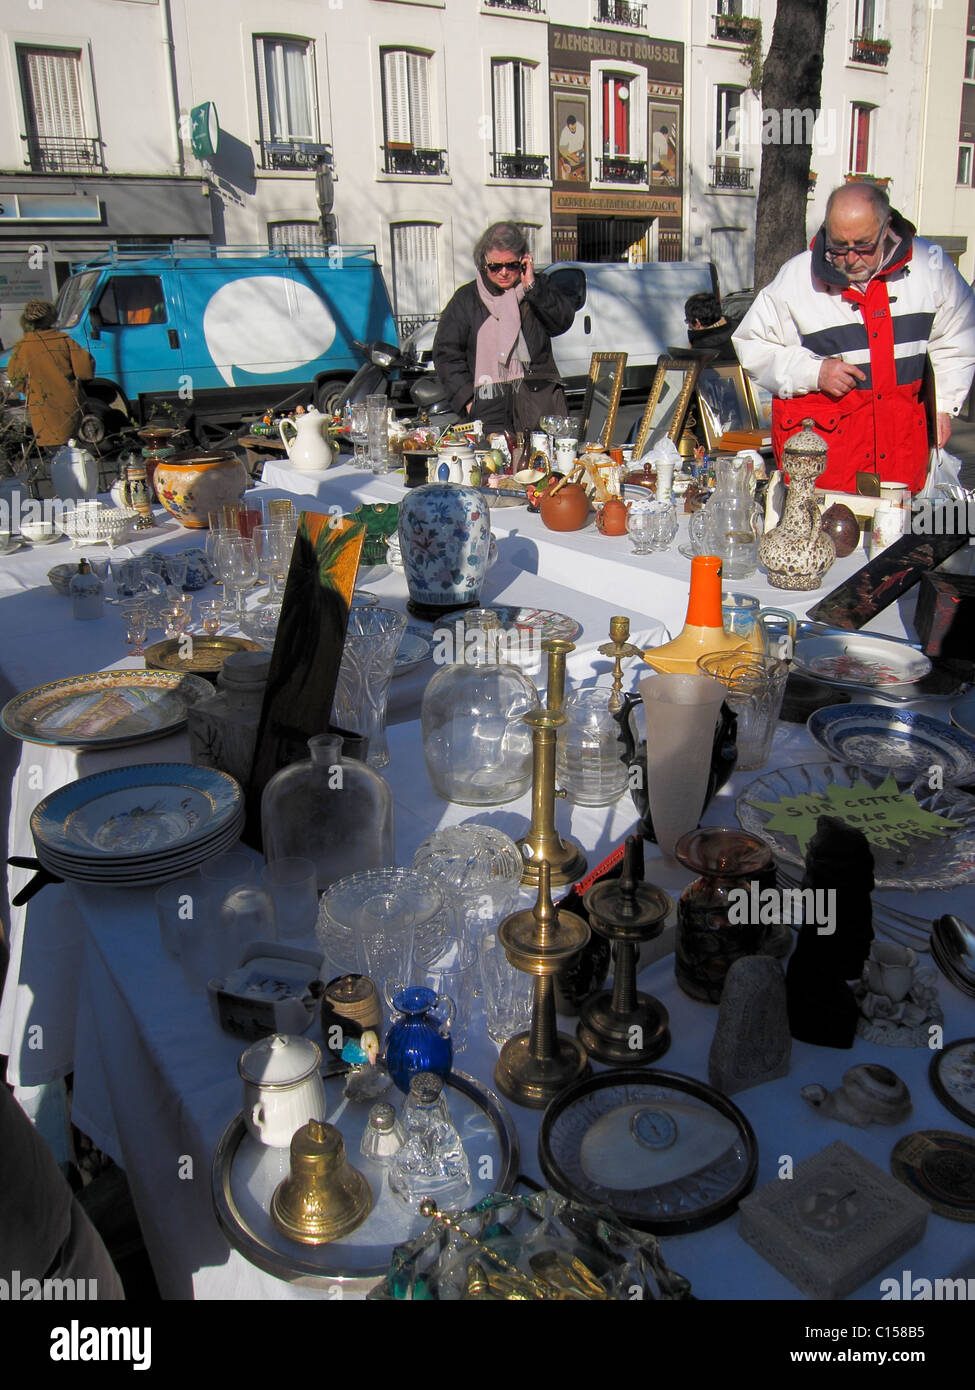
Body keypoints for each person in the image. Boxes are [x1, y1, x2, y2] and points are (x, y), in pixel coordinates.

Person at [732, 183, 975, 493]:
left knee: (898, 535)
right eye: (838, 246)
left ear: (886, 228)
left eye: (863, 245)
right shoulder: (797, 277)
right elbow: (752, 344)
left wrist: (944, 403)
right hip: (827, 469)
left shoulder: (930, 267)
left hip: (902, 460)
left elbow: (958, 333)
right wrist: (815, 372)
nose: (850, 258)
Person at [432, 222, 575, 435]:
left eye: (512, 265)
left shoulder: (537, 289)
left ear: (524, 262)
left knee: (540, 467)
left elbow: (561, 321)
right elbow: (446, 354)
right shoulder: (466, 300)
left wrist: (532, 287)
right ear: (483, 263)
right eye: (495, 266)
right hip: (487, 407)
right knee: (492, 464)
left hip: (538, 404)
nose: (504, 272)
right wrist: (468, 400)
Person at [5, 298, 95, 451]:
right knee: (71, 449)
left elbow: (15, 376)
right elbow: (85, 370)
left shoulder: (23, 347)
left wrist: (30, 391)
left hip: (41, 407)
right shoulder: (64, 341)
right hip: (69, 404)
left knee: (53, 452)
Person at [684, 291, 740, 363]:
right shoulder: (740, 330)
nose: (689, 326)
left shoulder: (701, 351)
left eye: (688, 321)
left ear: (697, 322)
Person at [558, 115, 585, 181]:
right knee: (566, 171)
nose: (573, 129)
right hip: (570, 155)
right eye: (571, 129)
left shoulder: (581, 128)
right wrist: (571, 156)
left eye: (574, 127)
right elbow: (562, 149)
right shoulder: (565, 132)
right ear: (568, 126)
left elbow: (586, 142)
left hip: (581, 152)